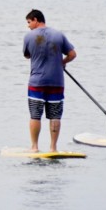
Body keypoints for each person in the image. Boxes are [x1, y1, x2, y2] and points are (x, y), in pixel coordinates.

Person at [23, 9, 77, 152]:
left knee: (35, 115)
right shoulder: (59, 35)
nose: (28, 26)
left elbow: (27, 55)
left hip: (36, 82)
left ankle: (34, 147)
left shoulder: (28, 36)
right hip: (56, 81)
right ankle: (53, 148)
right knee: (55, 116)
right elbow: (72, 54)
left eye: (29, 22)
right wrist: (62, 62)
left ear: (35, 20)